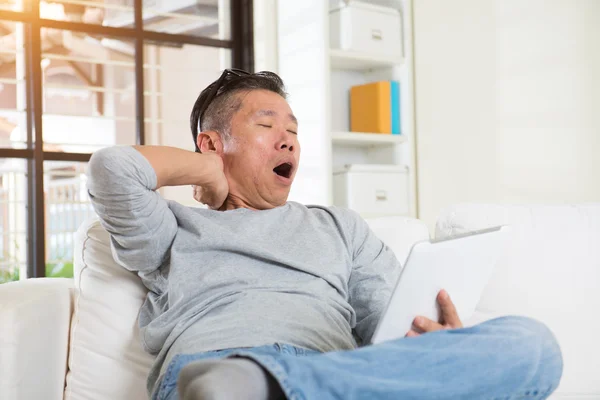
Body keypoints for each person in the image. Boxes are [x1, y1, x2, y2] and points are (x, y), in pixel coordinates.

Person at [86, 69, 563, 400]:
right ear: (212, 143)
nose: (288, 138)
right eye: (266, 124)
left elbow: (389, 328)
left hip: (337, 376)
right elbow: (113, 168)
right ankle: (247, 383)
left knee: (533, 344)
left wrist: (439, 346)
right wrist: (209, 169)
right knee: (225, 385)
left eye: (293, 129)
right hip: (217, 367)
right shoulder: (171, 229)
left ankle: (268, 384)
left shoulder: (341, 227)